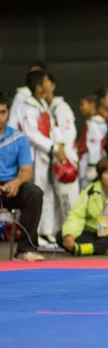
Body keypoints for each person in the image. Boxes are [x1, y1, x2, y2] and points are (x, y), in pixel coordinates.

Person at [57, 157, 108, 256]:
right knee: (61, 235)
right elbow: (77, 215)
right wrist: (69, 234)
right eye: (107, 172)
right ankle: (104, 249)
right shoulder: (90, 191)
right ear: (100, 175)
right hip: (93, 232)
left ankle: (92, 248)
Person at [18, 70, 62, 244]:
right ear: (38, 87)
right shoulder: (28, 106)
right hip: (34, 156)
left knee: (47, 193)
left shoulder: (42, 104)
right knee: (35, 194)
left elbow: (52, 128)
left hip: (47, 156)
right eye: (45, 82)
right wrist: (52, 146)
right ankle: (32, 234)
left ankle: (46, 231)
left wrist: (58, 144)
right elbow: (31, 133)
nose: (49, 85)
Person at [0, 91, 44, 261]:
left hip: (11, 185)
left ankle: (26, 250)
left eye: (3, 112)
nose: (0, 118)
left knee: (34, 193)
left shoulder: (18, 137)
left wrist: (16, 183)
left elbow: (27, 170)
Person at [47, 74, 80, 225]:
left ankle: (70, 233)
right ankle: (60, 234)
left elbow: (68, 134)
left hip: (65, 160)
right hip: (55, 160)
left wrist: (63, 157)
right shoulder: (47, 108)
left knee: (68, 200)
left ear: (52, 85)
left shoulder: (61, 107)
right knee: (57, 200)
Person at [77, 94, 108, 188]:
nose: (81, 108)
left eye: (83, 104)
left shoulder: (96, 123)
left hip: (90, 163)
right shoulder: (91, 121)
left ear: (92, 104)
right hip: (86, 161)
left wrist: (92, 166)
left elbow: (94, 146)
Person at [7, 62, 46, 131]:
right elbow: (13, 121)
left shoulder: (43, 100)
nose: (35, 77)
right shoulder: (21, 96)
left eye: (38, 73)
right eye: (32, 73)